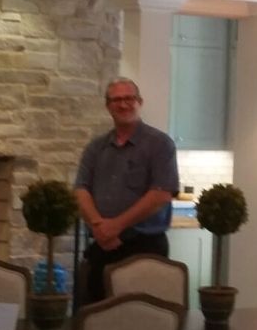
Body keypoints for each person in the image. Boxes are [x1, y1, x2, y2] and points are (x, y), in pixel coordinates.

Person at [74, 77, 180, 305]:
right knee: (94, 319)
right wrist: (98, 226)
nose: (123, 105)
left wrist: (116, 225)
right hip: (103, 246)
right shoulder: (96, 148)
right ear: (108, 106)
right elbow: (81, 189)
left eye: (128, 98)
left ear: (139, 102)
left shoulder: (160, 144)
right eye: (116, 100)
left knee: (142, 319)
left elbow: (161, 194)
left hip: (145, 249)